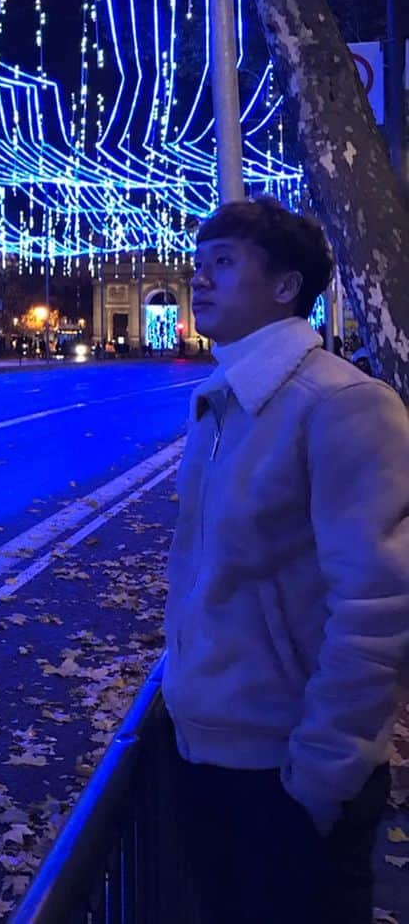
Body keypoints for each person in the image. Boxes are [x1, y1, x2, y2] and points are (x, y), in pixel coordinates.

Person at [165, 196, 408, 924]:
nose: (200, 280)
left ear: (284, 286)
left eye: (225, 263)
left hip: (286, 777)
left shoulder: (341, 405)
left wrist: (323, 772)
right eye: (198, 265)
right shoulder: (225, 401)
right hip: (206, 759)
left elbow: (379, 606)